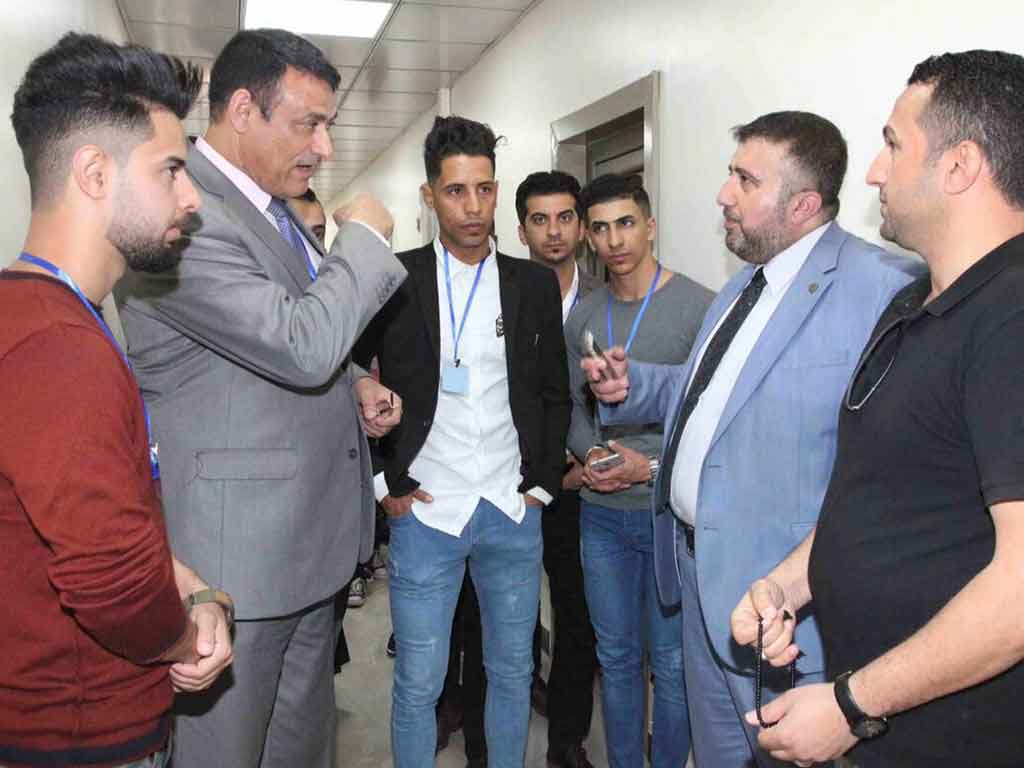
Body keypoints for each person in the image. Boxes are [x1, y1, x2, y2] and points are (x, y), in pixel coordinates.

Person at [583, 112, 920, 766]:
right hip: (695, 573)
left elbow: (895, 465)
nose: (723, 194)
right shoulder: (744, 284)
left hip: (780, 602)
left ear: (802, 204)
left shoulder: (883, 289)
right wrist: (634, 386)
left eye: (745, 180)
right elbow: (716, 395)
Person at [115, 28, 406, 768]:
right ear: (243, 110)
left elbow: (282, 335)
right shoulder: (184, 214)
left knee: (299, 750)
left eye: (328, 126)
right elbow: (301, 344)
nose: (324, 148)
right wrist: (364, 242)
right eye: (309, 124)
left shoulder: (271, 210)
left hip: (307, 551)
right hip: (235, 566)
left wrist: (356, 381)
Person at [731, 50, 1024, 768]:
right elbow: (882, 496)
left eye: (893, 145)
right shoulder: (915, 302)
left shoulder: (1011, 318)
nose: (872, 172)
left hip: (959, 738)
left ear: (959, 166)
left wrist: (851, 704)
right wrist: (785, 585)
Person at [0, 32, 232, 768]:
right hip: (78, 732)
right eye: (171, 170)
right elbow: (108, 583)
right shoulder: (57, 347)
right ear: (95, 173)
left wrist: (182, 580)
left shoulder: (40, 317)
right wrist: (186, 635)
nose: (191, 200)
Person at [353, 115, 570, 768]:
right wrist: (382, 484)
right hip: (426, 512)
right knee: (419, 682)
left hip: (510, 510)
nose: (473, 207)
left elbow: (554, 393)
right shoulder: (396, 280)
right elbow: (350, 377)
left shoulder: (532, 284)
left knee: (512, 672)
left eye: (484, 189)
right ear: (429, 196)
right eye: (455, 191)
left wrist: (542, 486)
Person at [565, 173, 711, 768]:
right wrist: (590, 455)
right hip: (601, 518)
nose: (614, 240)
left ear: (650, 226)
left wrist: (647, 467)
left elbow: (710, 420)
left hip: (667, 516)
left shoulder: (699, 307)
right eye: (600, 229)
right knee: (617, 659)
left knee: (671, 664)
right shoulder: (584, 316)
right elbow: (572, 409)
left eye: (625, 223)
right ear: (589, 238)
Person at [515, 170, 601, 768]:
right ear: (522, 229)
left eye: (565, 217)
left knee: (576, 614)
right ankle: (510, 692)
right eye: (540, 219)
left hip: (581, 486)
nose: (554, 231)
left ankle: (566, 741)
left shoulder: (607, 298)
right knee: (504, 609)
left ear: (581, 226)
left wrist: (583, 460)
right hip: (515, 483)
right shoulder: (501, 293)